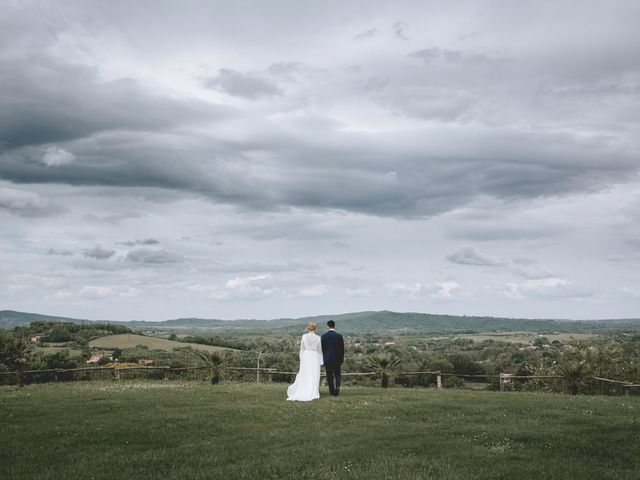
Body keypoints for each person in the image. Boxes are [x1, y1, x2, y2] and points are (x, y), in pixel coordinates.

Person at [287, 322, 323, 401]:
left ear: (308, 328)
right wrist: (321, 360)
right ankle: (312, 391)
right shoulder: (318, 338)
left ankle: (304, 389)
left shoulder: (304, 336)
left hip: (306, 356)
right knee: (313, 374)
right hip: (314, 357)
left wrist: (302, 358)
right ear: (315, 328)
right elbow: (319, 350)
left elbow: (302, 348)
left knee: (306, 373)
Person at [321, 320, 344, 396]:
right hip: (337, 358)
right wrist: (341, 359)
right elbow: (342, 349)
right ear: (334, 326)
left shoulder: (324, 336)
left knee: (329, 375)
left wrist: (323, 358)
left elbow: (322, 349)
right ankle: (337, 389)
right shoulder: (339, 336)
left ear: (328, 326)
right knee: (337, 375)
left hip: (327, 358)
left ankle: (331, 391)